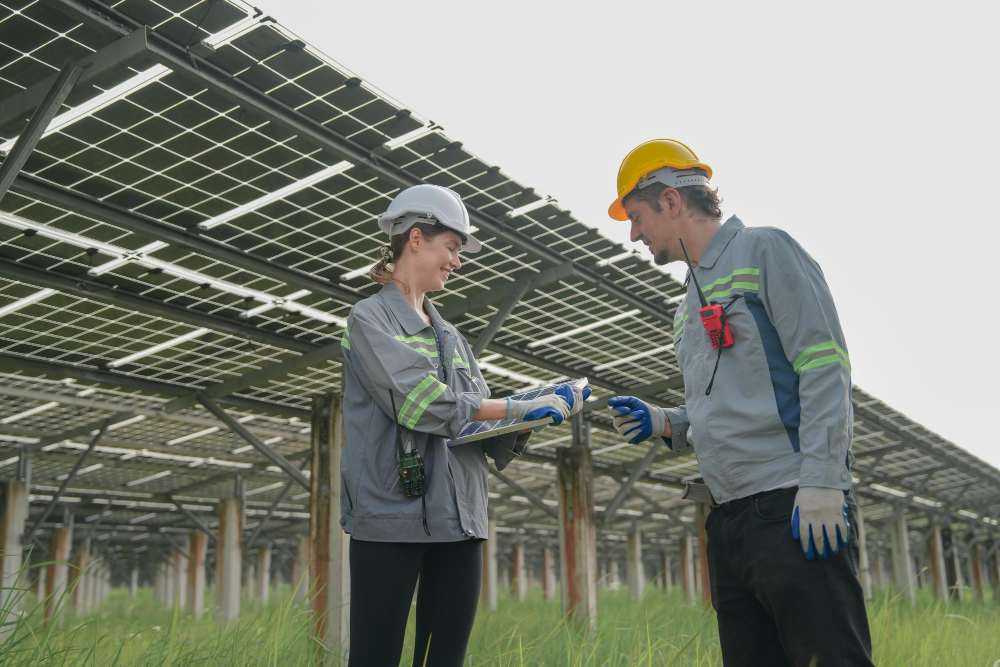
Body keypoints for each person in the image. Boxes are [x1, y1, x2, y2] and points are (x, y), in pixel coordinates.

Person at [605, 139, 875, 666]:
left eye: (635, 217)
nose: (633, 234)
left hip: (793, 508)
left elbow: (823, 366)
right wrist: (667, 422)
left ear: (670, 202)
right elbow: (723, 403)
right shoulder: (688, 303)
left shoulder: (766, 250)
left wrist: (822, 480)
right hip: (728, 523)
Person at [340, 183, 589, 667]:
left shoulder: (451, 336)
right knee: (376, 655)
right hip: (392, 515)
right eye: (451, 248)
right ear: (416, 238)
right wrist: (513, 407)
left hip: (460, 517)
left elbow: (473, 419)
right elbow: (421, 405)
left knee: (445, 657)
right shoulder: (369, 319)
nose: (457, 261)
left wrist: (529, 415)